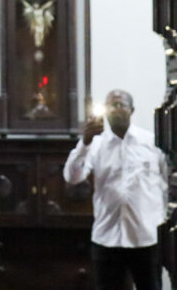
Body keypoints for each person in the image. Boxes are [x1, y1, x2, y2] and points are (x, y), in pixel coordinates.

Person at [63, 89, 168, 290]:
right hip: (107, 238)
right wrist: (84, 143)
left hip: (145, 238)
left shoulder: (151, 142)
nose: (115, 109)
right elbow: (72, 177)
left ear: (132, 110)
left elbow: (166, 182)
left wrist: (160, 217)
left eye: (121, 105)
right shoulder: (95, 144)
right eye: (111, 105)